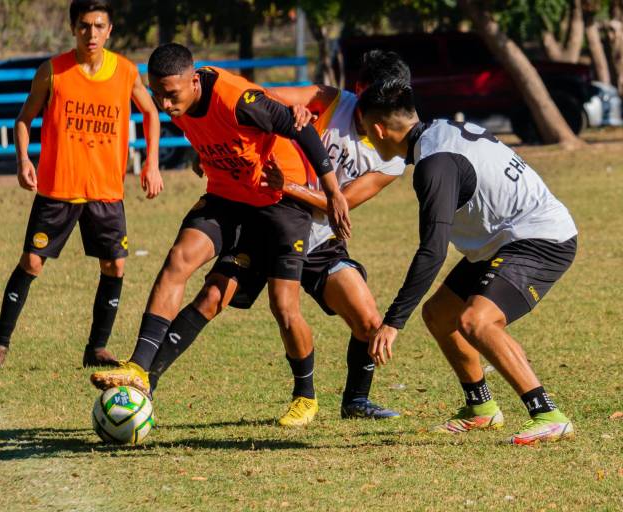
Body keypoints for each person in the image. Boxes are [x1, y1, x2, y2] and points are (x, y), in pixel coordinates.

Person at [89, 43, 350, 427]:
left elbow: (301, 126)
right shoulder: (180, 101)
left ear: (194, 81)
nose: (164, 104)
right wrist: (205, 154)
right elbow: (216, 134)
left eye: (171, 94)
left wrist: (331, 191)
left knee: (283, 305)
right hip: (228, 197)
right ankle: (140, 370)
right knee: (184, 264)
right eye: (157, 94)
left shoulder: (236, 99)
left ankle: (306, 397)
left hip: (279, 203)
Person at [144, 50, 412, 422]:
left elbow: (340, 204)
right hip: (266, 213)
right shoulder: (333, 100)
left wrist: (288, 185)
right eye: (374, 95)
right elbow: (260, 99)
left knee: (368, 323)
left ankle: (354, 401)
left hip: (317, 236)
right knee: (211, 297)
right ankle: (144, 382)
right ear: (361, 89)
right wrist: (217, 144)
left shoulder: (392, 160)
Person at [363, 80, 578, 445]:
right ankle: (481, 408)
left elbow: (432, 251)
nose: (369, 140)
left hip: (541, 239)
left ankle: (547, 413)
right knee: (439, 314)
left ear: (380, 130)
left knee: (477, 321)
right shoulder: (439, 129)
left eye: (367, 133)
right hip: (503, 239)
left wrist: (393, 321)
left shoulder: (434, 166)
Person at [0, 0, 163, 375]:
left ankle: (97, 347)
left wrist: (152, 163)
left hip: (105, 191)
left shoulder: (125, 72)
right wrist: (23, 160)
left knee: (115, 265)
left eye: (98, 26)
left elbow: (151, 111)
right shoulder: (53, 71)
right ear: (72, 28)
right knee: (31, 262)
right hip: (58, 189)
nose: (90, 34)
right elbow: (23, 119)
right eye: (83, 26)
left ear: (109, 30)